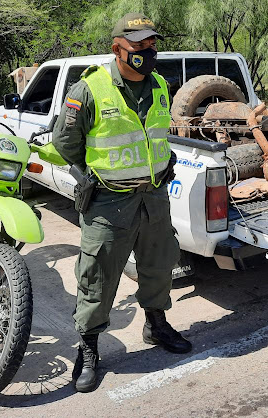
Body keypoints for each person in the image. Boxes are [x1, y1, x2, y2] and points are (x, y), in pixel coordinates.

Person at [52, 13, 191, 393]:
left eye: (151, 43)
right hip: (109, 203)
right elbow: (66, 143)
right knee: (97, 277)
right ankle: (89, 347)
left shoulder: (160, 84)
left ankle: (156, 324)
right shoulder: (89, 90)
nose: (149, 51)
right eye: (139, 45)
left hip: (155, 196)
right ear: (117, 48)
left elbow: (157, 135)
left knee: (160, 265)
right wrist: (94, 176)